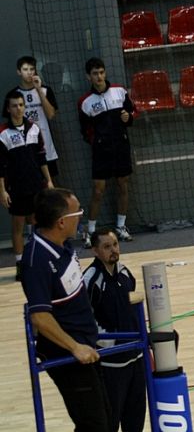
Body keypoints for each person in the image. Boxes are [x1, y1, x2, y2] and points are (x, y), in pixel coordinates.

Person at [21, 188, 111, 431]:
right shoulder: (36, 260)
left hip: (86, 345)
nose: (81, 215)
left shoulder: (64, 244)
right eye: (77, 212)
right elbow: (40, 317)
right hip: (67, 354)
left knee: (106, 419)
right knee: (94, 426)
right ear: (61, 222)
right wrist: (75, 347)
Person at [83, 227, 146, 432]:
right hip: (111, 364)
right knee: (110, 422)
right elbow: (86, 320)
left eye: (115, 245)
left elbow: (133, 307)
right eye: (107, 247)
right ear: (95, 251)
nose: (114, 250)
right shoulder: (90, 279)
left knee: (135, 421)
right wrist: (110, 342)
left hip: (136, 358)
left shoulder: (125, 272)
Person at [78, 57, 135, 248]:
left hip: (121, 147)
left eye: (101, 72)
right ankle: (91, 231)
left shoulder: (120, 91)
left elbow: (132, 113)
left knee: (123, 185)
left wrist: (128, 118)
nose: (99, 76)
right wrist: (97, 142)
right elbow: (85, 131)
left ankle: (121, 226)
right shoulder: (85, 102)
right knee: (98, 190)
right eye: (95, 73)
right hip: (101, 151)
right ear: (88, 76)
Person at [0, 90, 53, 281]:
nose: (19, 108)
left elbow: (41, 158)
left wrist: (49, 181)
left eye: (21, 105)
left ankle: (37, 261)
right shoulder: (3, 134)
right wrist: (2, 191)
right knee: (18, 226)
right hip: (16, 188)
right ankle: (20, 264)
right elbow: (0, 166)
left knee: (37, 223)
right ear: (8, 109)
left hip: (36, 185)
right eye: (14, 105)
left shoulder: (34, 128)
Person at [11, 56, 60, 179]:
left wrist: (38, 90)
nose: (29, 73)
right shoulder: (13, 95)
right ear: (19, 72)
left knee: (51, 183)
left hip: (45, 144)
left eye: (32, 69)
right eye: (25, 69)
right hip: (25, 146)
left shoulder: (46, 90)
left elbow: (51, 115)